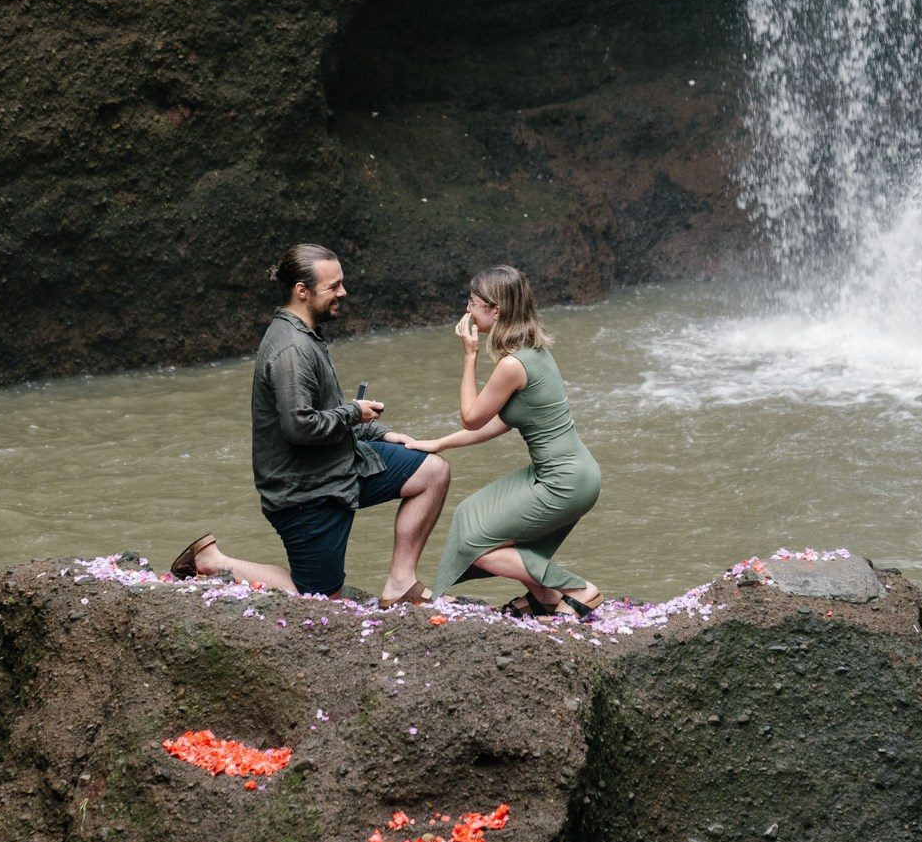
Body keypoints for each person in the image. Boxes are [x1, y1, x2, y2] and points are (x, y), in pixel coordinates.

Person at [171, 243, 449, 605]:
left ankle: (400, 582)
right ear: (302, 291)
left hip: (339, 467)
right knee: (319, 598)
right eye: (333, 287)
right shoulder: (292, 349)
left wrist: (381, 432)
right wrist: (354, 412)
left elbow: (324, 414)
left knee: (433, 472)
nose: (343, 293)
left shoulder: (305, 335)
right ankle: (212, 561)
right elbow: (301, 427)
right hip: (305, 491)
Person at [394, 265, 604, 619]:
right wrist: (439, 444)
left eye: (473, 303)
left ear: (496, 310)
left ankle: (575, 589)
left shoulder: (512, 365)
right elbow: (500, 422)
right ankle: (544, 598)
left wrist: (470, 356)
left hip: (564, 481)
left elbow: (471, 416)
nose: (468, 311)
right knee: (470, 516)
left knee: (477, 545)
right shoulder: (532, 350)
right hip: (569, 472)